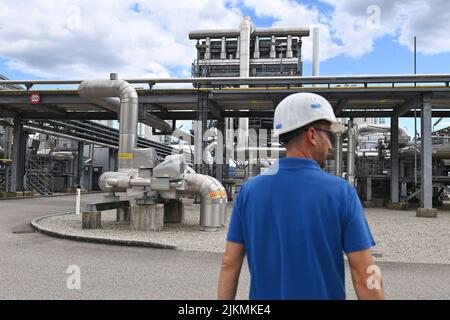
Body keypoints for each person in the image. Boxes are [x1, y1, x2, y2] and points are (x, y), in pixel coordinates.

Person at [218, 92, 384, 300]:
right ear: (312, 135)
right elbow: (364, 271)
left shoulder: (249, 191)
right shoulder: (341, 192)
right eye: (329, 135)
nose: (332, 145)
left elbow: (229, 264)